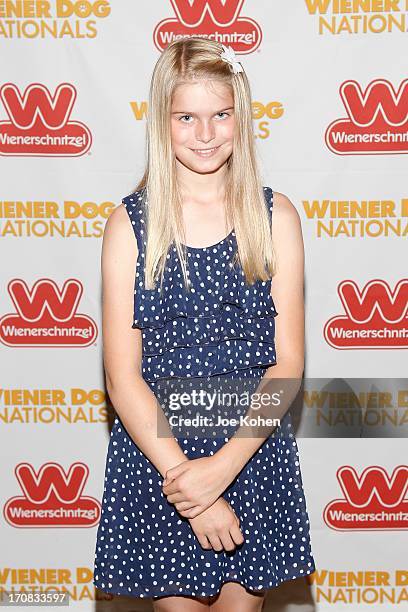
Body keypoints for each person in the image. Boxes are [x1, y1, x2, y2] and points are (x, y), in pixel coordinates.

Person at [93, 37, 316, 611]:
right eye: (186, 117)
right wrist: (193, 485)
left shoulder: (276, 217)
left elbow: (287, 365)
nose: (206, 133)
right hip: (162, 462)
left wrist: (224, 468)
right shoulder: (130, 226)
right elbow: (123, 380)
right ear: (161, 121)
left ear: (241, 116)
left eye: (221, 115)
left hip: (249, 452)